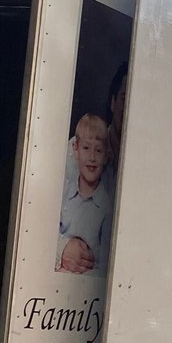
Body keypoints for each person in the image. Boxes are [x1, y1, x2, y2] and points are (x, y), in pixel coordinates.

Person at [58, 112, 113, 274]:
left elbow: (104, 269)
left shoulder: (107, 209)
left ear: (106, 156)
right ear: (75, 149)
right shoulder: (63, 196)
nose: (92, 157)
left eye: (98, 150)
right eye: (86, 148)